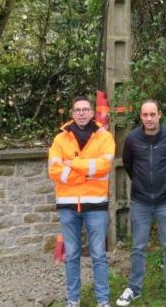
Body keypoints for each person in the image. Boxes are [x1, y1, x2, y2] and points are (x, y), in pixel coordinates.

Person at [116, 100, 166, 307]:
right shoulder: (132, 139)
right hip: (141, 200)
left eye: (152, 114)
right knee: (138, 246)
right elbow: (128, 164)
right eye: (145, 115)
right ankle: (133, 288)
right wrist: (140, 182)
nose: (149, 118)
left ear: (159, 115)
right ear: (140, 116)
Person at [48, 96, 115, 307]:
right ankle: (73, 300)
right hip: (68, 206)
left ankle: (103, 301)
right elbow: (54, 170)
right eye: (78, 110)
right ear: (72, 113)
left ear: (92, 112)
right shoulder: (60, 139)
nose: (82, 113)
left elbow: (104, 166)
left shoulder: (105, 137)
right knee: (72, 255)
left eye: (86, 109)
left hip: (96, 205)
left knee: (98, 256)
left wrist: (74, 163)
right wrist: (86, 172)